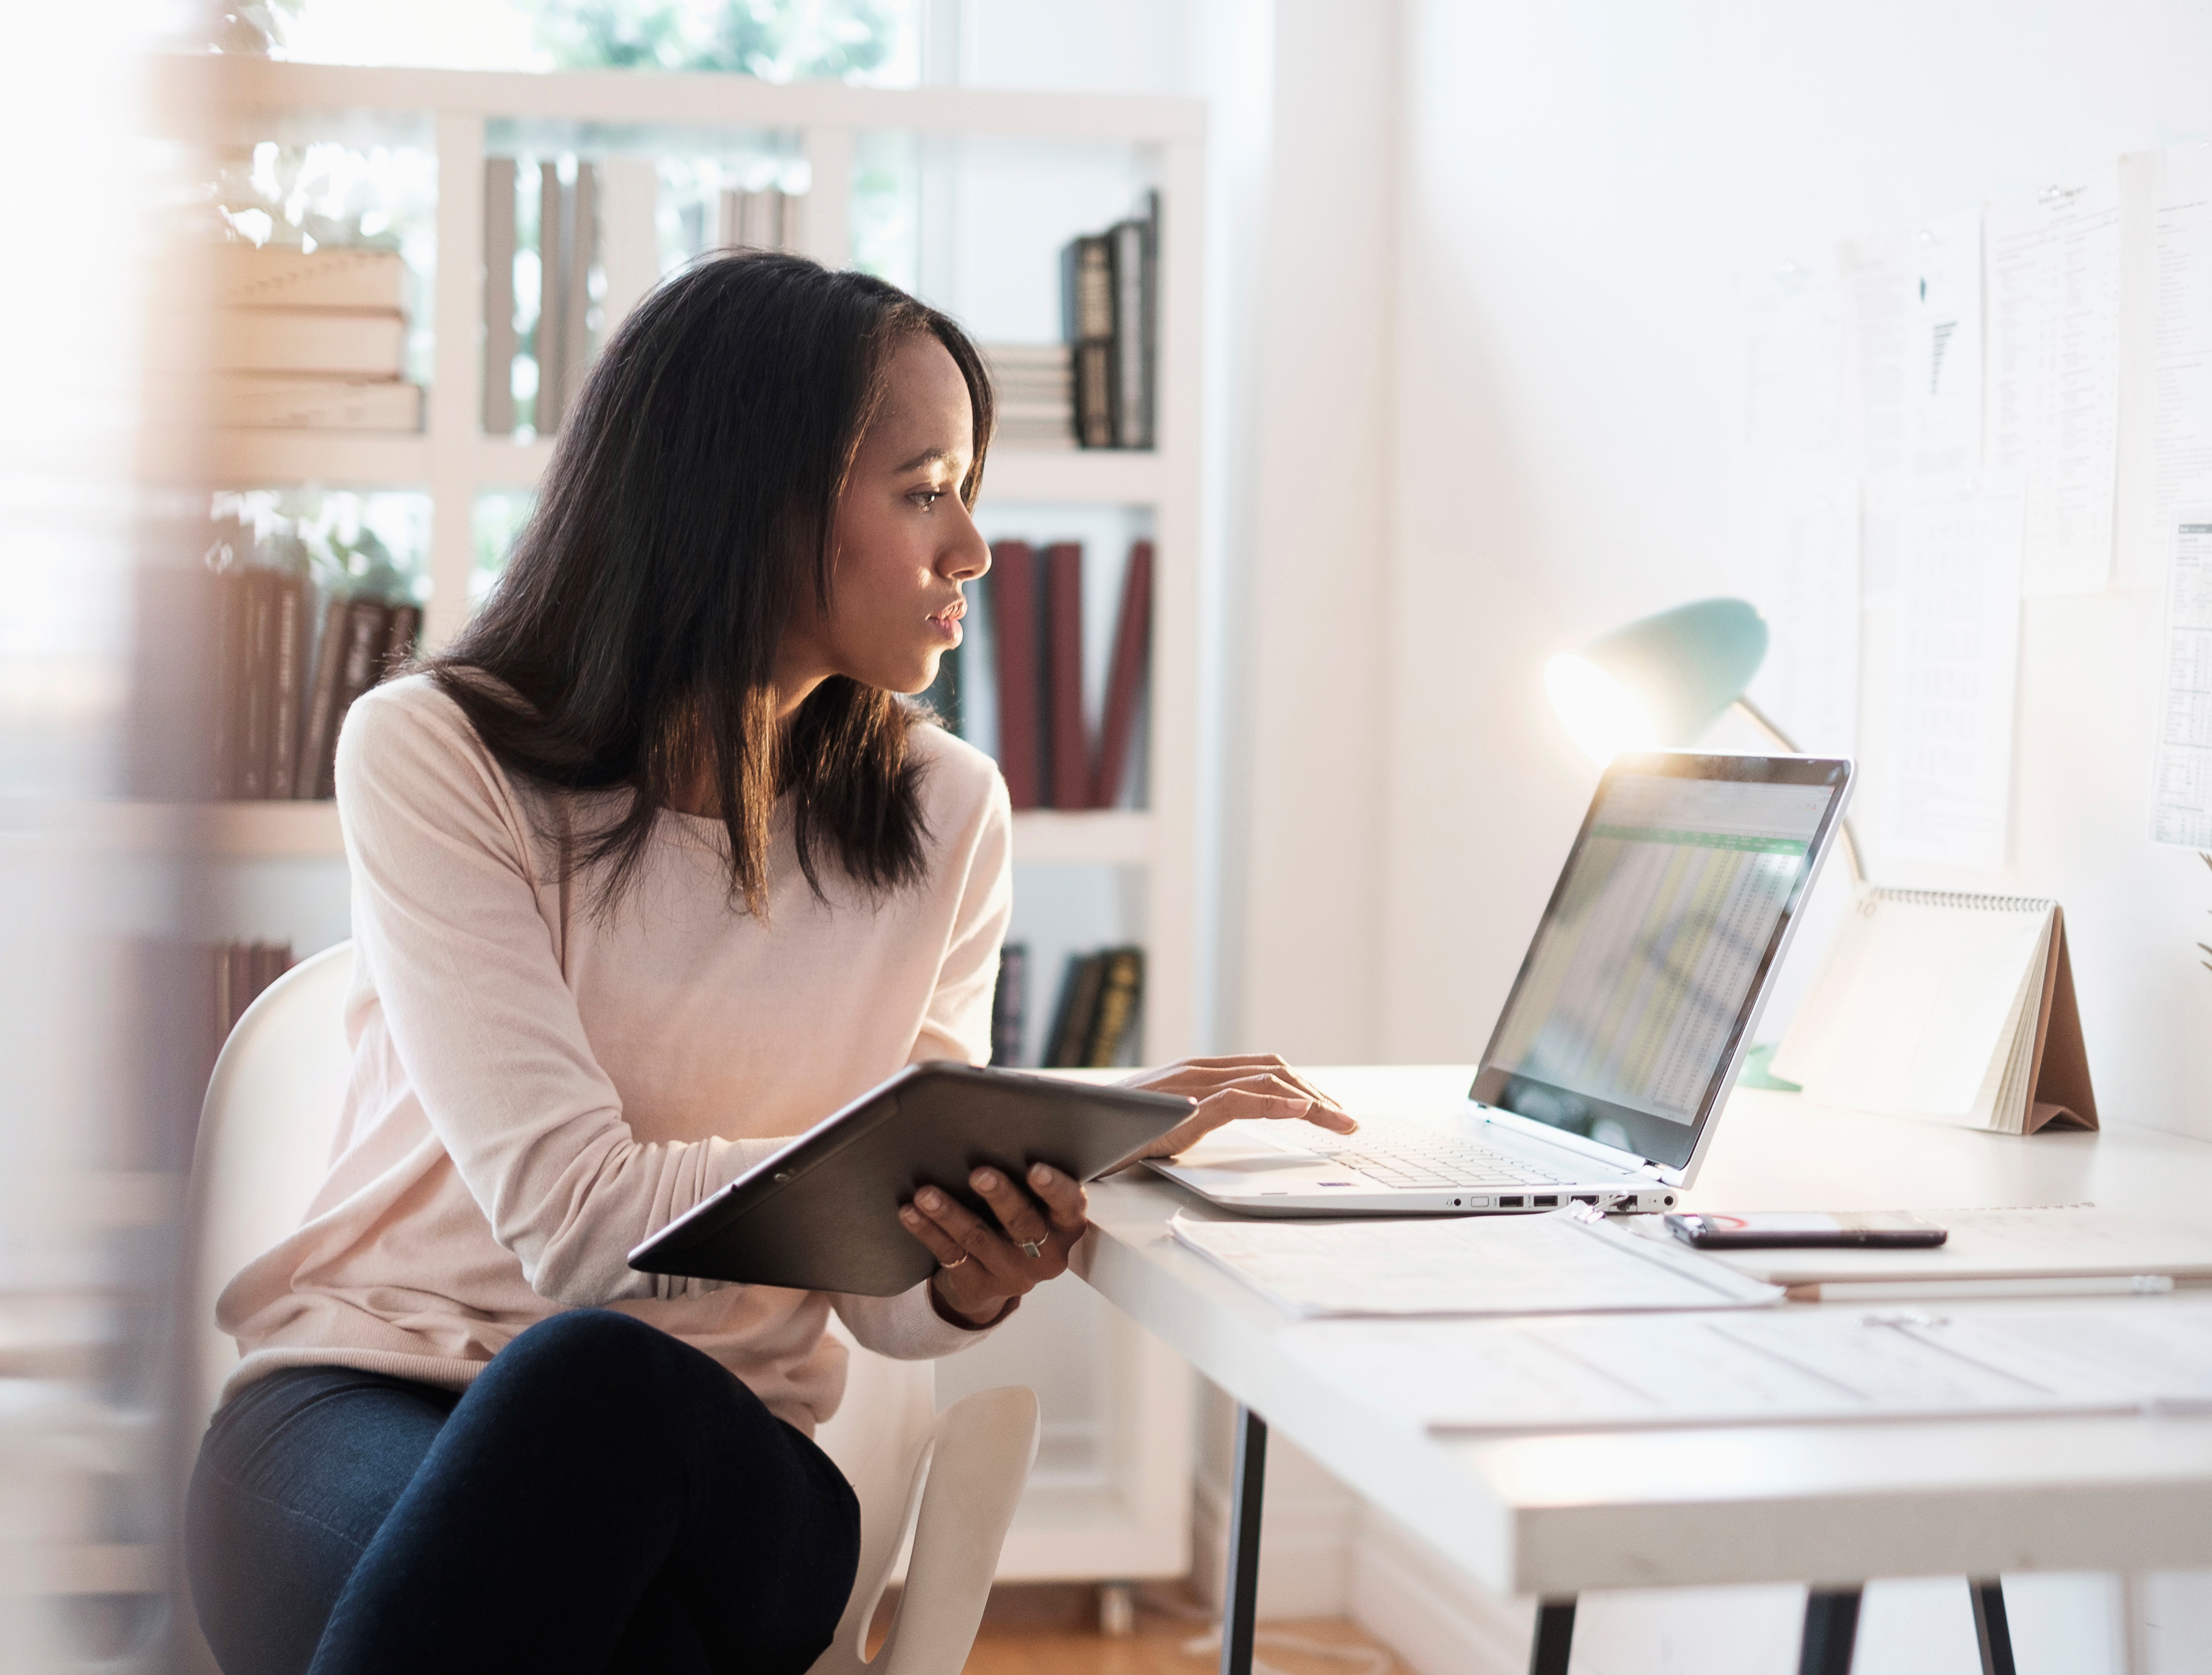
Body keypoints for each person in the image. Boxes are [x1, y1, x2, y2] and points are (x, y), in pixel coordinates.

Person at [183, 251, 1355, 1675]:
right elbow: (575, 1224)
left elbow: (881, 1301)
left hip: (720, 1458)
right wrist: (887, 1165)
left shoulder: (945, 813)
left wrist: (971, 1263)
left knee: (606, 1395)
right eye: (926, 489)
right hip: (361, 1402)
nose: (973, 548)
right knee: (615, 1586)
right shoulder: (438, 751)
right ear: (751, 497)